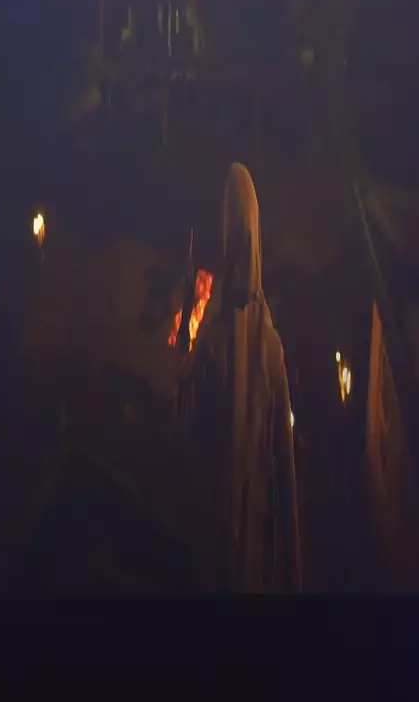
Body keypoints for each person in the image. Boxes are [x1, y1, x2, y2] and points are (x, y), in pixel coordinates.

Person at [176, 162, 302, 593]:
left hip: (241, 537)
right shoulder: (233, 336)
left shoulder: (252, 344)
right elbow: (190, 425)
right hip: (223, 531)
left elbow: (283, 465)